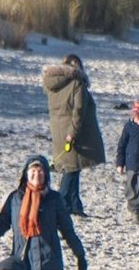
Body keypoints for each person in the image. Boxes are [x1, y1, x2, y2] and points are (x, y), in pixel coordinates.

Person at [42, 53, 105, 218]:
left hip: (58, 131)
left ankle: (75, 205)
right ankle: (60, 206)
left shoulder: (52, 83)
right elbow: (78, 112)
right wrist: (72, 134)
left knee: (74, 167)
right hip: (72, 132)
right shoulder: (77, 83)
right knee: (71, 169)